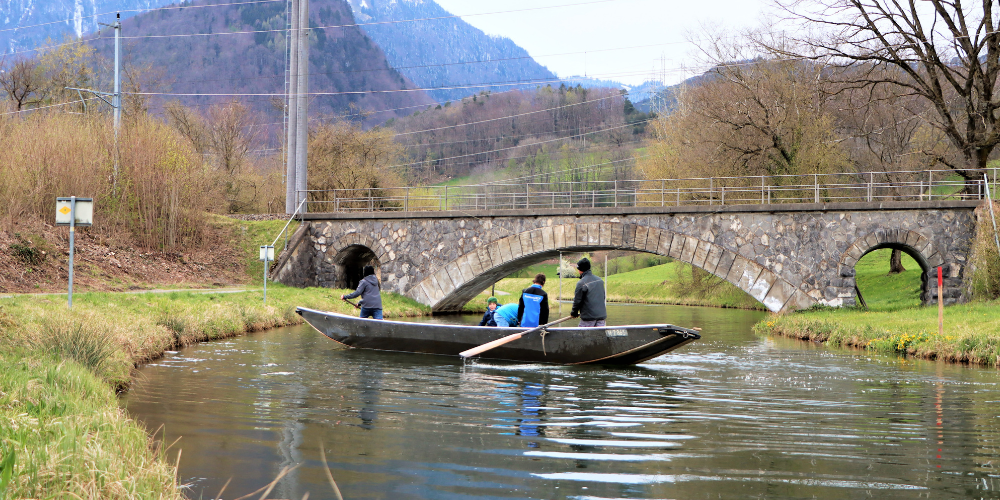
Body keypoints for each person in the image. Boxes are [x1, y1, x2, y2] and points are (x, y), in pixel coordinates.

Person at [570, 257, 606, 327]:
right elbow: (603, 297)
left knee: (583, 337)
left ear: (580, 270)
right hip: (601, 317)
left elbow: (577, 301)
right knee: (599, 337)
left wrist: (574, 313)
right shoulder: (600, 281)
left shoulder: (581, 283)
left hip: (588, 318)